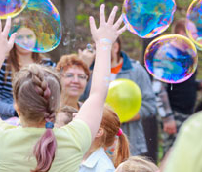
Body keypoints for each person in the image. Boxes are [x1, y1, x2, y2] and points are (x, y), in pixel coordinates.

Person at [0, 5, 127, 172]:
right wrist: (104, 43)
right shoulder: (74, 140)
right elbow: (98, 94)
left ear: (17, 106)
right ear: (57, 106)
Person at [82, 36, 157, 156]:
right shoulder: (91, 71)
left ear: (115, 47)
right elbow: (79, 100)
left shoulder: (136, 70)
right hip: (96, 144)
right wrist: (84, 67)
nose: (96, 53)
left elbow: (150, 105)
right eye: (95, 49)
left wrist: (118, 118)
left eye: (101, 48)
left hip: (129, 143)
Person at [155, 19, 201, 156]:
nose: (196, 36)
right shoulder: (166, 54)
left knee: (186, 155)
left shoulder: (188, 54)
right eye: (193, 33)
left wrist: (199, 84)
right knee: (171, 155)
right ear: (182, 32)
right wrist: (167, 118)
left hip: (188, 114)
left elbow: (184, 82)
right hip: (174, 115)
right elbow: (158, 88)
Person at [0, 28, 54, 120]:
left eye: (29, 36)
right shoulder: (3, 64)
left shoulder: (47, 64)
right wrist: (14, 110)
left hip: (40, 118)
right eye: (20, 37)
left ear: (36, 38)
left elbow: (55, 94)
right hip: (8, 119)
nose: (25, 41)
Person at [80, 106, 130, 172]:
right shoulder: (76, 156)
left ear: (98, 132)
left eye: (83, 120)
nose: (76, 122)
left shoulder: (105, 169)